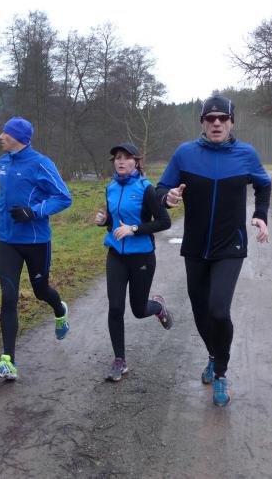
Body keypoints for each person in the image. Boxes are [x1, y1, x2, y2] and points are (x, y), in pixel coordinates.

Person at [156, 93, 271, 407]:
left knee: (218, 310)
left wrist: (260, 214)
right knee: (200, 311)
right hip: (195, 246)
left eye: (223, 118)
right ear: (203, 123)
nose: (216, 123)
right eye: (210, 118)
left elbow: (263, 184)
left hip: (230, 245)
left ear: (232, 122)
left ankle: (221, 371)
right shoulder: (185, 154)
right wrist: (167, 198)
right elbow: (161, 188)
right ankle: (212, 354)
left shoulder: (246, 154)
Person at [0, 116, 73, 381]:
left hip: (35, 241)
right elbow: (4, 193)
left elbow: (63, 197)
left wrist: (33, 212)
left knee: (40, 291)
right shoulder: (3, 162)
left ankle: (60, 310)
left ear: (19, 138)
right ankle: (8, 362)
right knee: (8, 297)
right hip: (8, 240)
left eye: (6, 133)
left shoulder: (41, 163)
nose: (0, 136)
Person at [94, 142, 173, 382]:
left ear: (136, 163)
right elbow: (113, 223)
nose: (121, 161)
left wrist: (134, 229)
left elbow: (164, 222)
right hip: (116, 255)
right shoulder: (110, 188)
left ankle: (157, 307)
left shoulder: (146, 189)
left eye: (127, 157)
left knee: (139, 310)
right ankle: (120, 360)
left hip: (142, 257)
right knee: (115, 307)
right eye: (117, 157)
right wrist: (104, 221)